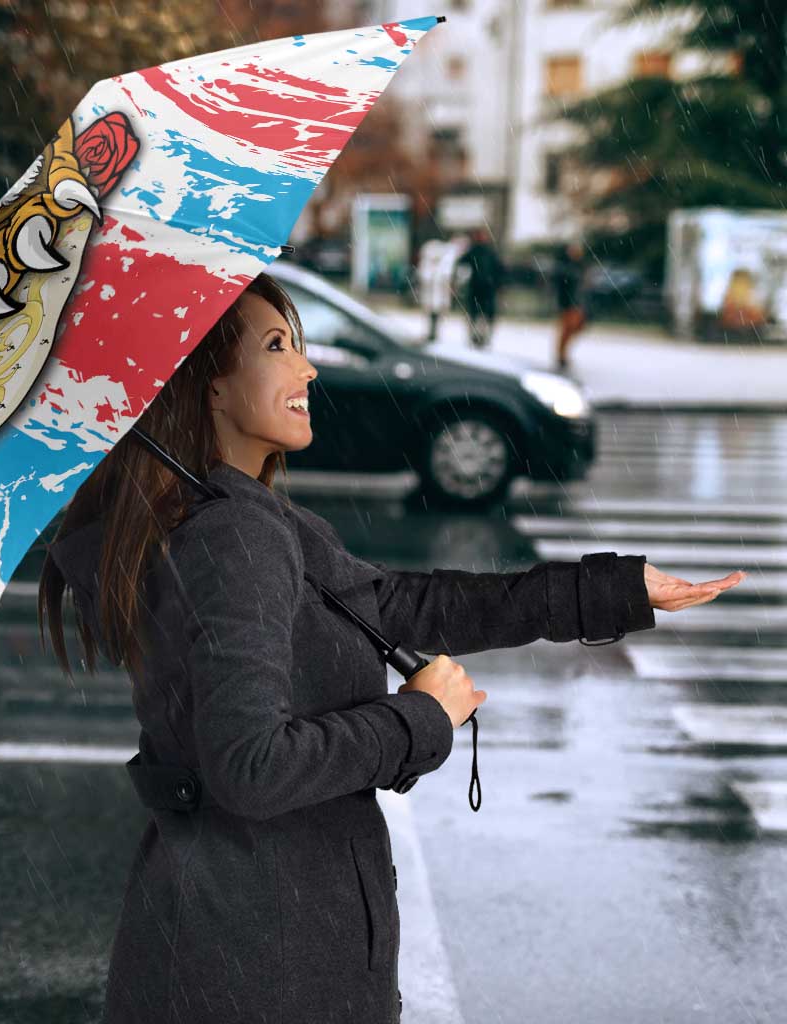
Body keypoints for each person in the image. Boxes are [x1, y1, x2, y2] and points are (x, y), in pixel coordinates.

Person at [39, 271, 736, 1024]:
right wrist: (419, 719)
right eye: (277, 346)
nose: (307, 368)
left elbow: (402, 605)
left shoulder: (238, 517)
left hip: (239, 944)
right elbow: (250, 768)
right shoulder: (232, 537)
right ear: (209, 385)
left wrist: (613, 591)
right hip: (261, 964)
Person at [455, 226, 505, 349]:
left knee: (483, 315)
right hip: (478, 288)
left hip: (486, 288)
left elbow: (499, 270)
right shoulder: (475, 251)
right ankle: (476, 337)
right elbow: (461, 264)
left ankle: (482, 337)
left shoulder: (488, 252)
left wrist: (498, 284)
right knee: (476, 314)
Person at [553, 239, 589, 370]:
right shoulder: (565, 267)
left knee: (575, 328)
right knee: (567, 329)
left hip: (577, 303)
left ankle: (562, 354)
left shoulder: (580, 266)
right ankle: (561, 355)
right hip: (568, 303)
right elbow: (562, 286)